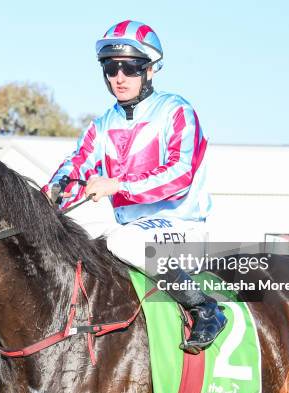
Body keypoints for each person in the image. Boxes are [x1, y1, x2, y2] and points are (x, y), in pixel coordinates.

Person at [42, 20, 226, 352]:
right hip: (136, 230)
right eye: (111, 68)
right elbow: (75, 166)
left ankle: (205, 308)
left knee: (123, 240)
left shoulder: (177, 111)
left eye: (130, 67)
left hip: (183, 227)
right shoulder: (102, 125)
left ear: (151, 70)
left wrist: (118, 185)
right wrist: (46, 197)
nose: (119, 77)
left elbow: (179, 176)